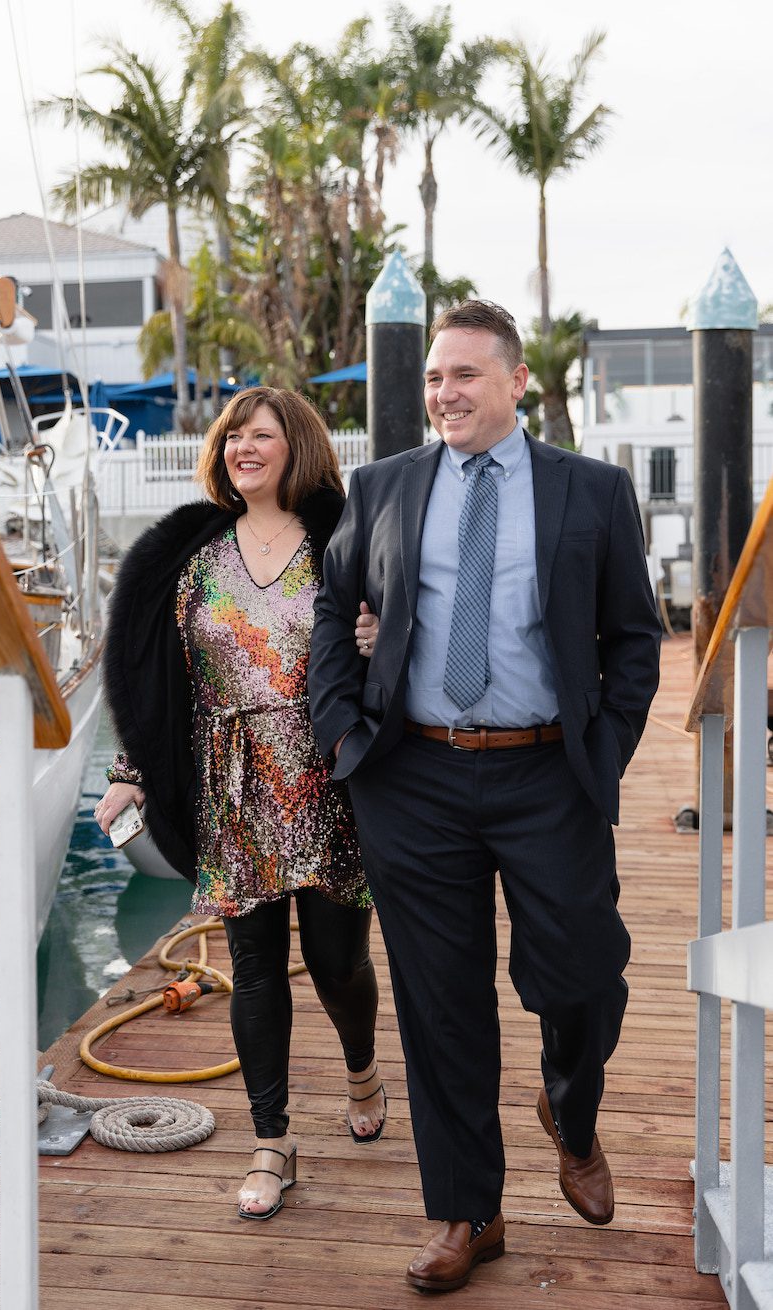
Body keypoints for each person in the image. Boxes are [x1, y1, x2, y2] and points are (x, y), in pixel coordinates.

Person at [308, 300, 662, 1292]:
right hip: (411, 775)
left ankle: (572, 1107)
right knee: (441, 1004)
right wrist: (344, 729)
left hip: (548, 770)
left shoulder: (592, 490)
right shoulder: (382, 485)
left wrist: (610, 746)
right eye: (432, 377)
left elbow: (635, 638)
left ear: (515, 383)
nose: (444, 393)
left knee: (585, 972)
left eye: (464, 375)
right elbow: (335, 613)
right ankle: (472, 1210)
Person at [96, 386, 386, 1223]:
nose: (243, 449)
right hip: (230, 786)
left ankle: (362, 1065)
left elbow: (400, 636)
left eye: (261, 436)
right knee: (255, 966)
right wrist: (132, 768)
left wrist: (379, 638)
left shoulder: (345, 541)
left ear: (298, 445)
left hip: (327, 779)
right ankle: (272, 1141)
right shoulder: (190, 552)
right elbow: (153, 677)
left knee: (337, 962)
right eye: (232, 438)